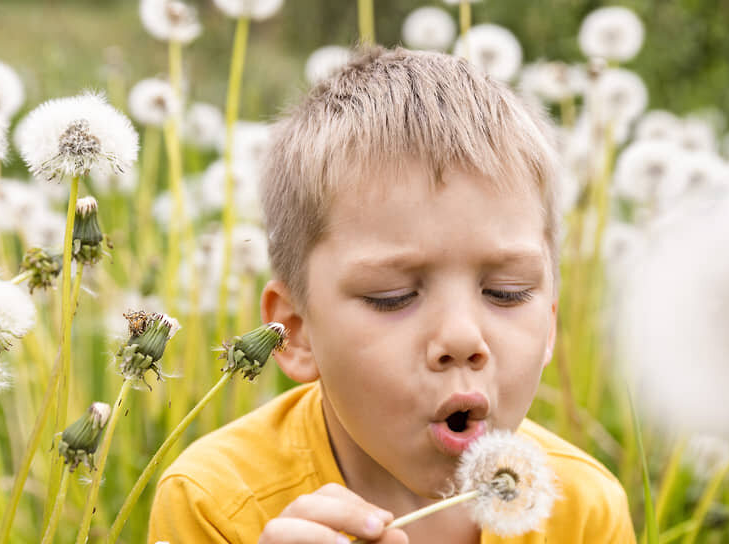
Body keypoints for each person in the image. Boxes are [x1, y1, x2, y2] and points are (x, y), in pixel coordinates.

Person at [148, 46, 635, 544]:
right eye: (392, 296)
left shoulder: (584, 510)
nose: (463, 337)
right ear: (294, 333)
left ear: (550, 325)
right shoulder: (215, 502)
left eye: (506, 293)